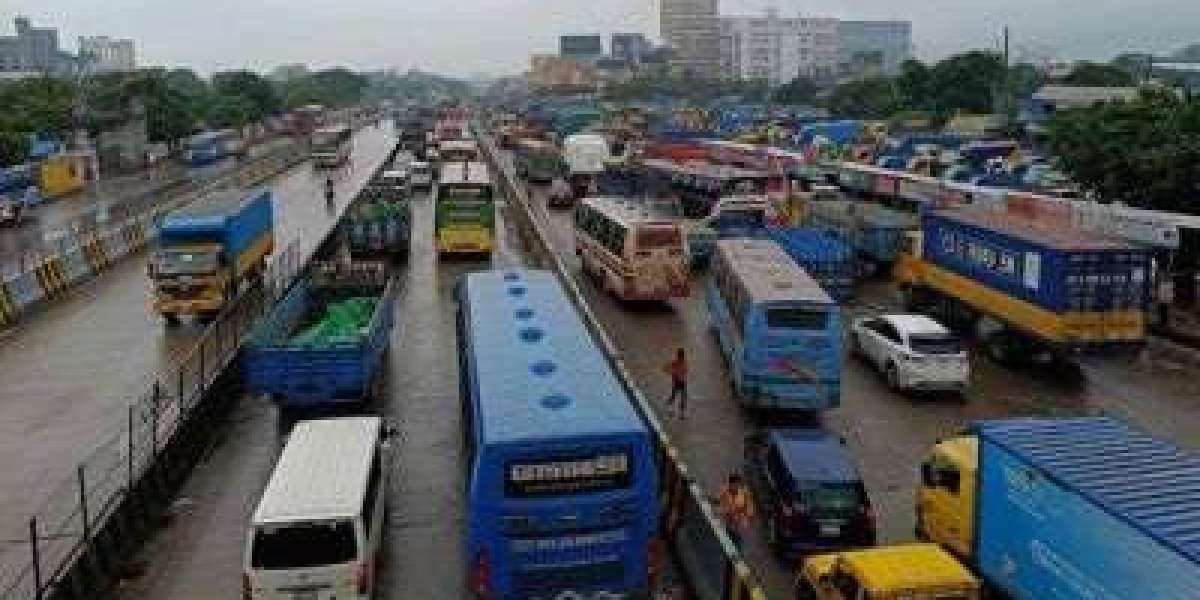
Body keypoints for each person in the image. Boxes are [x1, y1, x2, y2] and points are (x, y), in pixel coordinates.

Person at [718, 473, 755, 550]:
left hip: (738, 522)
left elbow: (749, 508)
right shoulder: (725, 492)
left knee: (738, 540)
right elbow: (720, 504)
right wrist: (725, 512)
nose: (736, 487)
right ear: (730, 484)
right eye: (733, 484)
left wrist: (746, 517)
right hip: (727, 520)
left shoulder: (744, 493)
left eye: (737, 484)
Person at [663, 347, 688, 419]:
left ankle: (681, 413)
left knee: (683, 397)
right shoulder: (676, 362)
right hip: (677, 382)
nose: (682, 358)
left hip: (682, 382)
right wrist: (672, 373)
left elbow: (685, 371)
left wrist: (675, 373)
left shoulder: (683, 362)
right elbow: (665, 368)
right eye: (681, 356)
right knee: (674, 396)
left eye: (682, 356)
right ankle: (669, 407)